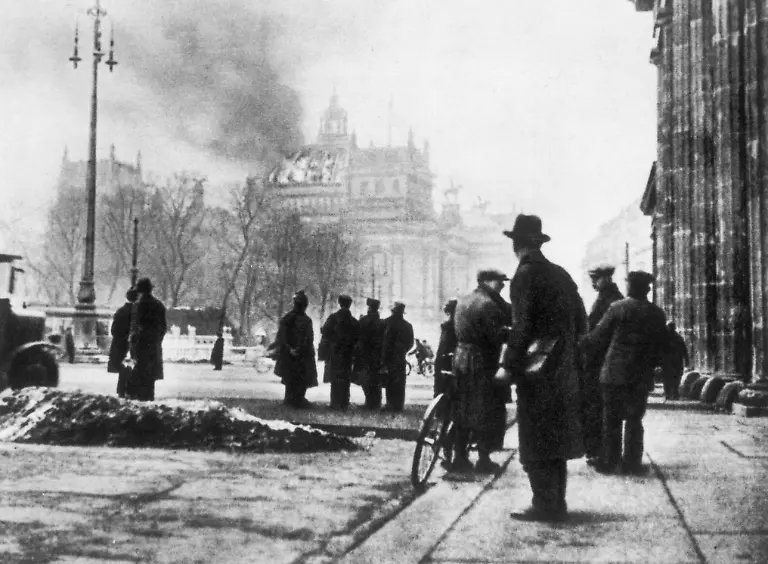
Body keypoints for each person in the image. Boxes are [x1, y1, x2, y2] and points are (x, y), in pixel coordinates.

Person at [495, 214, 586, 522]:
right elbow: (581, 318)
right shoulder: (560, 273)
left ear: (516, 245)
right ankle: (556, 501)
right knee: (556, 435)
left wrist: (507, 365)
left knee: (534, 435)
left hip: (536, 370)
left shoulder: (525, 274)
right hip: (563, 366)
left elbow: (521, 327)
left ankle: (543, 504)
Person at [580, 271, 667, 475]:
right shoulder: (656, 313)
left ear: (629, 287)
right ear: (647, 289)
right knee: (635, 419)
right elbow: (661, 345)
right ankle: (632, 462)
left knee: (611, 419)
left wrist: (580, 341)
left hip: (614, 373)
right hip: (641, 374)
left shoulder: (617, 308)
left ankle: (609, 461)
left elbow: (598, 337)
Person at [452, 270, 511, 474]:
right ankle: (484, 459)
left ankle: (459, 457)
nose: (502, 285)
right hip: (482, 362)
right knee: (487, 410)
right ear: (486, 281)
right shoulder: (488, 304)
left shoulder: (463, 300)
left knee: (461, 408)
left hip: (460, 359)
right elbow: (496, 337)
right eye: (499, 281)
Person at [582, 264, 624, 466]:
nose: (593, 283)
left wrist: (581, 342)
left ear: (606, 278)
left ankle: (600, 453)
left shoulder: (611, 301)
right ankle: (599, 451)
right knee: (599, 408)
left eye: (596, 279)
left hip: (601, 361)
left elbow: (600, 334)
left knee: (598, 408)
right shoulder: (609, 297)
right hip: (602, 360)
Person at [274, 290, 318, 409]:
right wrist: (297, 349)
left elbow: (282, 337)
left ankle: (292, 399)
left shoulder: (287, 318)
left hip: (292, 354)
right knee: (298, 377)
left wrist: (290, 349)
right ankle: (296, 399)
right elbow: (309, 338)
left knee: (292, 377)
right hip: (301, 354)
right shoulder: (304, 320)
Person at [127, 278, 167, 401]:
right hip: (153, 345)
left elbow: (134, 327)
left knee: (139, 371)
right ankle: (149, 398)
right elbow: (163, 328)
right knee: (150, 375)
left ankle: (137, 398)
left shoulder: (138, 306)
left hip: (140, 344)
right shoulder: (159, 305)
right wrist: (157, 339)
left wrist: (133, 344)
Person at [321, 294, 360, 411]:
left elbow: (325, 331)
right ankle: (344, 403)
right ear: (350, 304)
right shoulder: (353, 321)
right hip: (348, 353)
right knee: (345, 378)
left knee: (335, 378)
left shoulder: (333, 318)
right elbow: (358, 337)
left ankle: (334, 403)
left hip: (335, 352)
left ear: (339, 303)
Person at [380, 301, 414, 412]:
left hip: (387, 356)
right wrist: (403, 350)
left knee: (389, 380)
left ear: (393, 311)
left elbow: (380, 340)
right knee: (400, 381)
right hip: (400, 357)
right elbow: (410, 343)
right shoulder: (407, 325)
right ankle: (398, 405)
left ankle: (389, 404)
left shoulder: (385, 322)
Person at [356, 298, 387, 409]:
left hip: (365, 354)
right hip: (378, 354)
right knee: (376, 379)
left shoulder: (364, 321)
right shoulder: (382, 322)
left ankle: (369, 402)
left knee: (366, 379)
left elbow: (358, 336)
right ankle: (376, 403)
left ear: (369, 308)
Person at [108, 288, 138, 398]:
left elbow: (113, 330)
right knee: (133, 369)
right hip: (133, 346)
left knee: (123, 369)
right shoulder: (138, 313)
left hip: (120, 345)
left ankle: (121, 390)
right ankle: (131, 391)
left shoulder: (120, 311)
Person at [433, 298, 458, 398]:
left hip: (445, 358)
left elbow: (443, 345)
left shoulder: (447, 326)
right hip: (450, 358)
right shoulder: (451, 325)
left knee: (441, 387)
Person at [661, 322, 689, 400]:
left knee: (673, 378)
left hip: (674, 362)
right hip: (670, 362)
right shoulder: (668, 338)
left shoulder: (677, 338)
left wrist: (686, 360)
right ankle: (670, 393)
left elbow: (684, 350)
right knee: (669, 378)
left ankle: (672, 393)